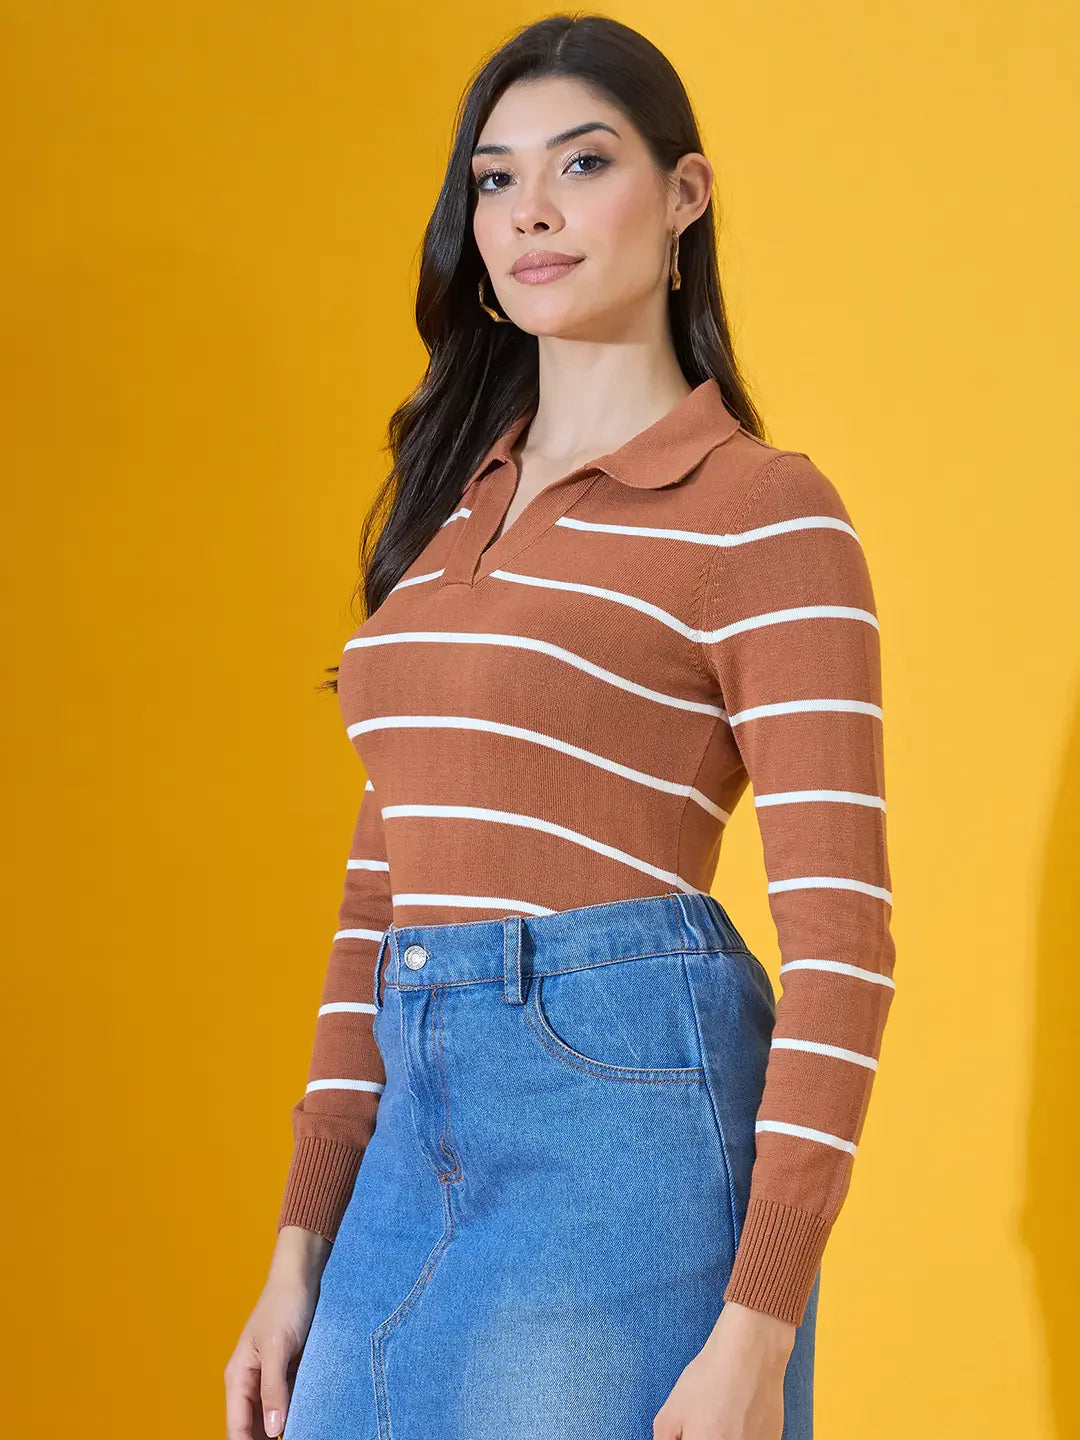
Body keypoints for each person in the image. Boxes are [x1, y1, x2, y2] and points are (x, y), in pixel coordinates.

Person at [224, 14, 896, 1440]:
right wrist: (299, 1251)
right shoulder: (448, 508)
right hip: (413, 1142)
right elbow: (377, 899)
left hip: (625, 1130)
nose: (527, 209)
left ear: (683, 198)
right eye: (493, 178)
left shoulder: (764, 512)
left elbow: (844, 946)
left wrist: (757, 1328)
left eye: (581, 164)